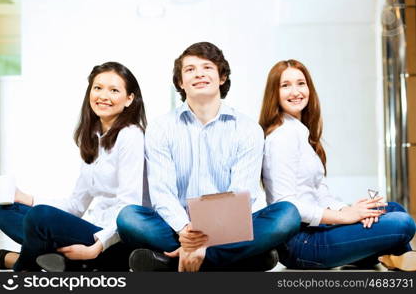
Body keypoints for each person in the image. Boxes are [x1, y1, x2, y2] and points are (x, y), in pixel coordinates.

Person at [116, 42, 301, 272]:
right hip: (177, 229)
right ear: (180, 82)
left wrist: (202, 242)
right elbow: (162, 193)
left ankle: (178, 262)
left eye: (207, 67)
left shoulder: (247, 128)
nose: (199, 74)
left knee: (288, 214)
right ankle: (240, 260)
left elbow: (242, 193)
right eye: (190, 69)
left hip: (230, 229)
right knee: (128, 218)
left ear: (222, 77)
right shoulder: (160, 128)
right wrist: (186, 231)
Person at [259, 59, 416, 270]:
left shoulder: (301, 132)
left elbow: (319, 192)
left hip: (319, 228)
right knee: (403, 223)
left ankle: (386, 256)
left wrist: (350, 210)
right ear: (274, 93)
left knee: (392, 209)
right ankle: (393, 255)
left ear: (309, 88)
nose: (295, 91)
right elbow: (287, 206)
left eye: (300, 83)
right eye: (285, 85)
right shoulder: (281, 137)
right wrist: (344, 217)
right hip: (301, 244)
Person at [0, 61, 148, 271]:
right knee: (5, 211)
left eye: (114, 90)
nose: (103, 96)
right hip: (89, 229)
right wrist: (26, 198)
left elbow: (129, 210)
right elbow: (76, 205)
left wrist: (96, 248)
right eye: (98, 88)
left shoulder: (131, 135)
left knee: (39, 218)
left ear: (129, 99)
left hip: (112, 240)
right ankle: (62, 261)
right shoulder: (95, 136)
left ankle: (22, 265)